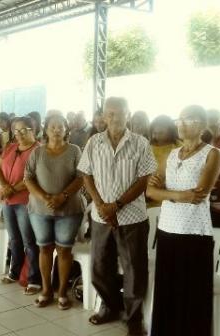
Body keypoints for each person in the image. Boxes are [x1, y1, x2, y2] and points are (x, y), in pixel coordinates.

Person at [79, 97, 157, 335]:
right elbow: (86, 175)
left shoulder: (140, 143)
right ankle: (110, 307)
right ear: (103, 116)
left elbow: (144, 180)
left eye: (119, 113)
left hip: (132, 217)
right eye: (109, 113)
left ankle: (134, 318)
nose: (114, 118)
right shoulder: (94, 142)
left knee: (134, 268)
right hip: (101, 216)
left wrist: (118, 204)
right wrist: (101, 204)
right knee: (101, 266)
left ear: (128, 114)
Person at [146, 105, 220, 336]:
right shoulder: (171, 154)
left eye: (186, 120)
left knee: (192, 293)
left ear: (200, 124)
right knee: (167, 291)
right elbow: (150, 191)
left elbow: (199, 195)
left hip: (194, 233)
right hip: (168, 230)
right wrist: (178, 195)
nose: (179, 124)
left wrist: (167, 193)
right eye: (178, 119)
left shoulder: (212, 153)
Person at [24, 114, 84, 310]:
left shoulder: (75, 150)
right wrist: (45, 198)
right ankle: (46, 289)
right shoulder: (37, 152)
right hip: (40, 209)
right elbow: (28, 178)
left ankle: (62, 292)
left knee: (64, 250)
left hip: (69, 209)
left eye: (60, 126)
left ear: (66, 129)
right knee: (44, 248)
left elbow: (82, 177)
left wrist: (62, 196)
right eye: (52, 127)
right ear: (46, 129)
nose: (56, 130)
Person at [0, 116, 41, 294]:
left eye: (24, 130)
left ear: (33, 130)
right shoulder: (10, 147)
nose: (20, 134)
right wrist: (5, 187)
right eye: (16, 131)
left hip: (25, 201)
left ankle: (34, 279)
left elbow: (33, 177)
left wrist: (11, 189)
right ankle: (14, 272)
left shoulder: (38, 150)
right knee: (14, 239)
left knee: (29, 241)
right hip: (7, 199)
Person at [148, 115, 180, 208]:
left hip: (170, 198)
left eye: (161, 133)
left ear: (171, 131)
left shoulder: (179, 147)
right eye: (155, 132)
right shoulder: (147, 146)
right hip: (148, 199)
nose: (157, 136)